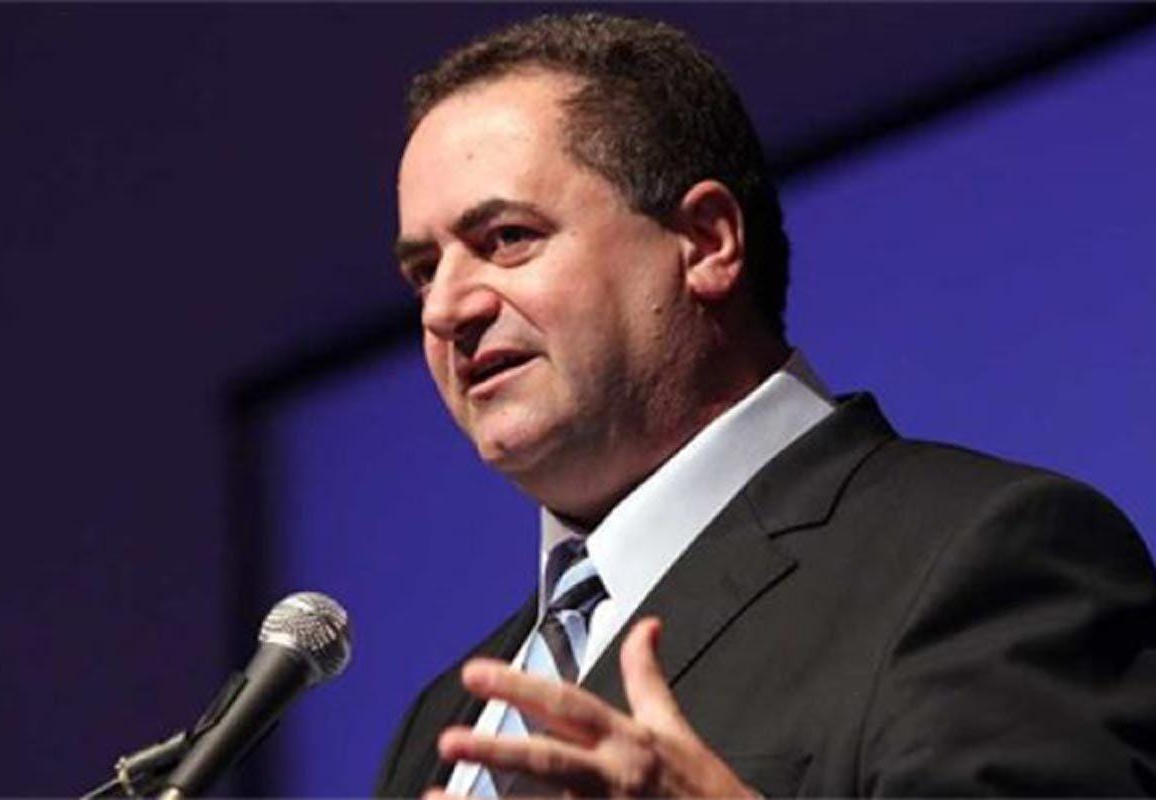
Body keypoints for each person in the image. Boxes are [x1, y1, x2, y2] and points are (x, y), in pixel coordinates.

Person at [377, 12, 1156, 798]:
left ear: (707, 242)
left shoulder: (983, 560)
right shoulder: (439, 723)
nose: (445, 309)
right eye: (423, 272)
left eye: (507, 238)